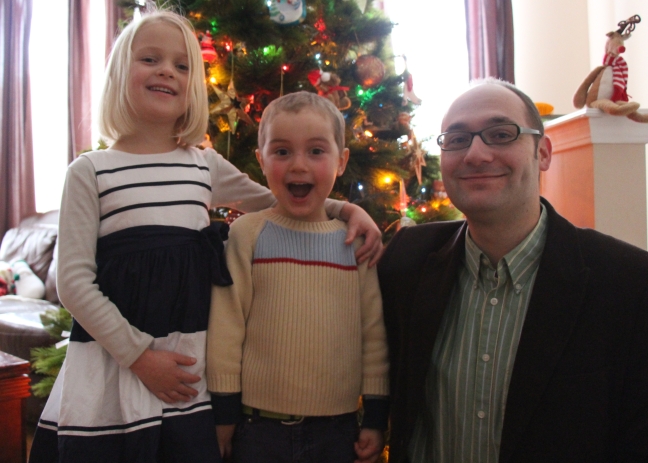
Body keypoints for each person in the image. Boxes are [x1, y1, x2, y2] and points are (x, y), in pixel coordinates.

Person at [28, 11, 382, 463]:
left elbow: (276, 199)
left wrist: (345, 209)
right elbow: (74, 283)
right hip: (115, 362)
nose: (166, 72)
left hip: (188, 370)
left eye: (181, 65)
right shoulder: (90, 172)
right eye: (150, 59)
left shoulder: (202, 164)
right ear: (118, 73)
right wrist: (139, 357)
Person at [378, 78, 648, 463]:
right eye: (457, 139)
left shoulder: (627, 283)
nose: (475, 154)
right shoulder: (407, 259)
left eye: (501, 134)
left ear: (543, 153)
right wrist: (339, 211)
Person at [206, 91, 390, 463]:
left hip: (337, 431)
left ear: (341, 161)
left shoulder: (356, 242)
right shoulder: (247, 234)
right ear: (261, 160)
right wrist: (223, 414)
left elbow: (373, 334)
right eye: (282, 151)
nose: (299, 166)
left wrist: (374, 417)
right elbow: (225, 329)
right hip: (258, 429)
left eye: (316, 151)